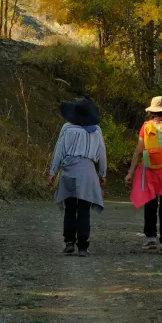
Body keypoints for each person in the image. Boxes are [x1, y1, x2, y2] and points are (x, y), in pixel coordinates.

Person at [124, 96, 162, 255]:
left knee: (150, 203)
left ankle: (151, 238)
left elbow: (139, 150)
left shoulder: (146, 126)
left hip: (150, 168)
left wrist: (130, 172)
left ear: (151, 111)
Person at [48, 97, 108, 256]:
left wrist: (52, 172)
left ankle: (69, 241)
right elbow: (102, 154)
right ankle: (82, 246)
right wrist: (102, 173)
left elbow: (59, 150)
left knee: (70, 207)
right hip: (88, 172)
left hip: (69, 171)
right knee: (84, 209)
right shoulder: (96, 130)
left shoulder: (67, 128)